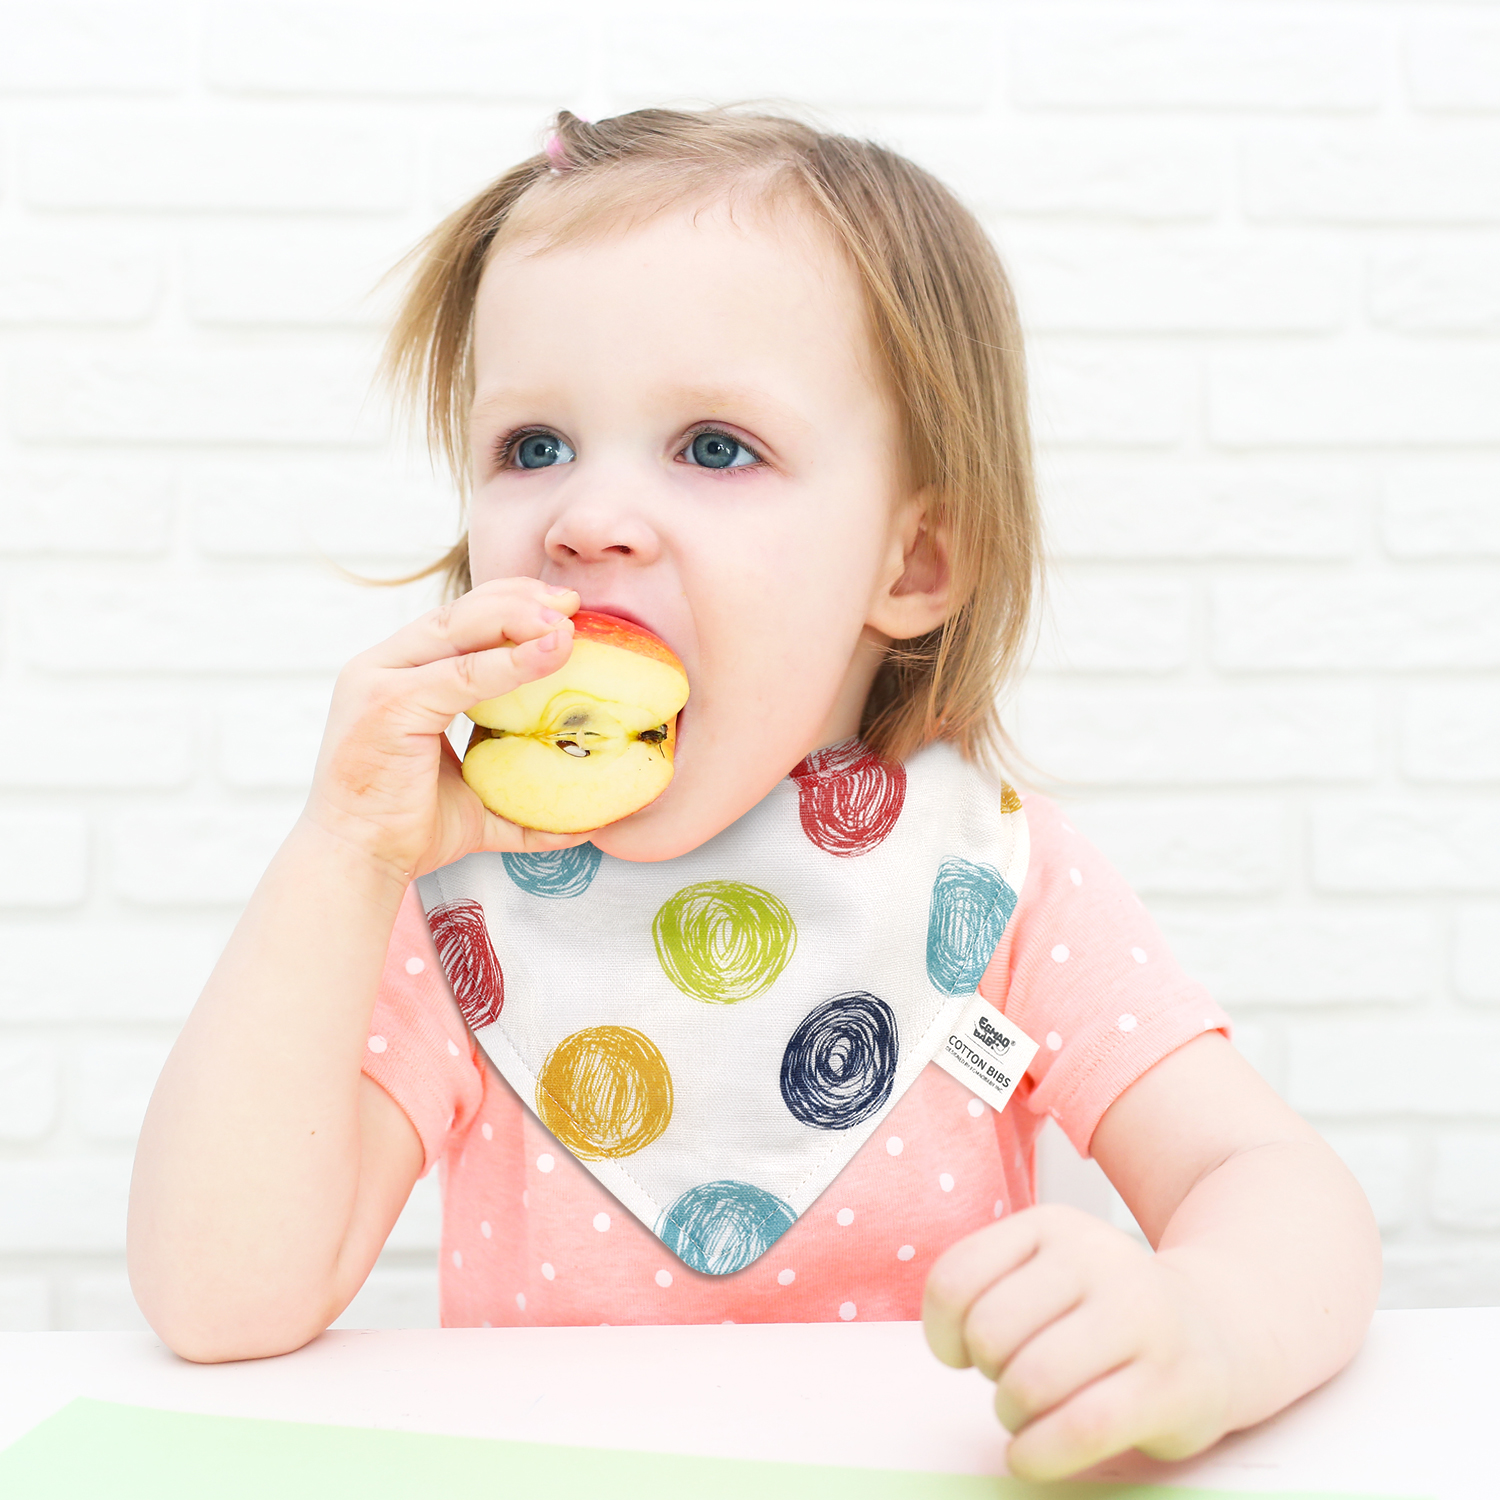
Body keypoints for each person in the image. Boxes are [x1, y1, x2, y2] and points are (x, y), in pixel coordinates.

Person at [127, 107, 1380, 1482]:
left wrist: (1207, 1320)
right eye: (533, 447)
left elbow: (1266, 1181)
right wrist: (341, 853)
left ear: (912, 562)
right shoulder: (452, 903)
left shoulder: (991, 882)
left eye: (714, 447)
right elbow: (221, 1301)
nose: (584, 519)